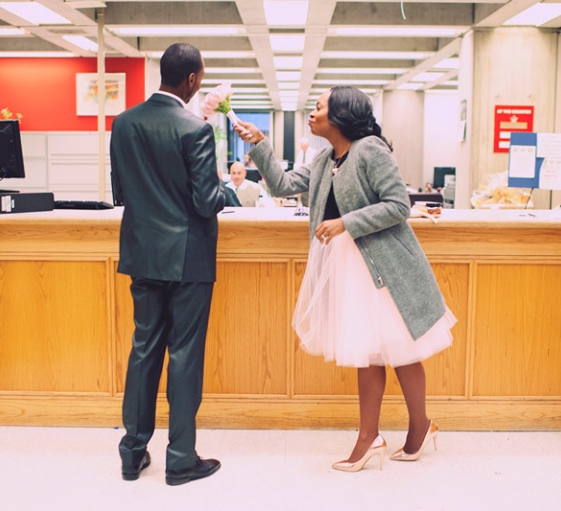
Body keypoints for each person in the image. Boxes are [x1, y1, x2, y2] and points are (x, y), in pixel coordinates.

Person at [234, 86, 456, 472]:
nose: (312, 113)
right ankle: (372, 436)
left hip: (385, 266)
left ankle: (418, 425)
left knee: (401, 349)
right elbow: (285, 185)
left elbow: (398, 205)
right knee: (368, 352)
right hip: (351, 267)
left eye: (319, 107)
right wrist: (260, 144)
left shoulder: (370, 149)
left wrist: (344, 223)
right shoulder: (325, 159)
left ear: (340, 116)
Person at [110, 42, 224, 486]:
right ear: (193, 80)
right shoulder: (195, 129)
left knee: (144, 351)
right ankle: (180, 458)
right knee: (184, 356)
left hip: (142, 252)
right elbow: (205, 201)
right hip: (188, 258)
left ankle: (132, 453)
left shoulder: (123, 123)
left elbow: (121, 190)